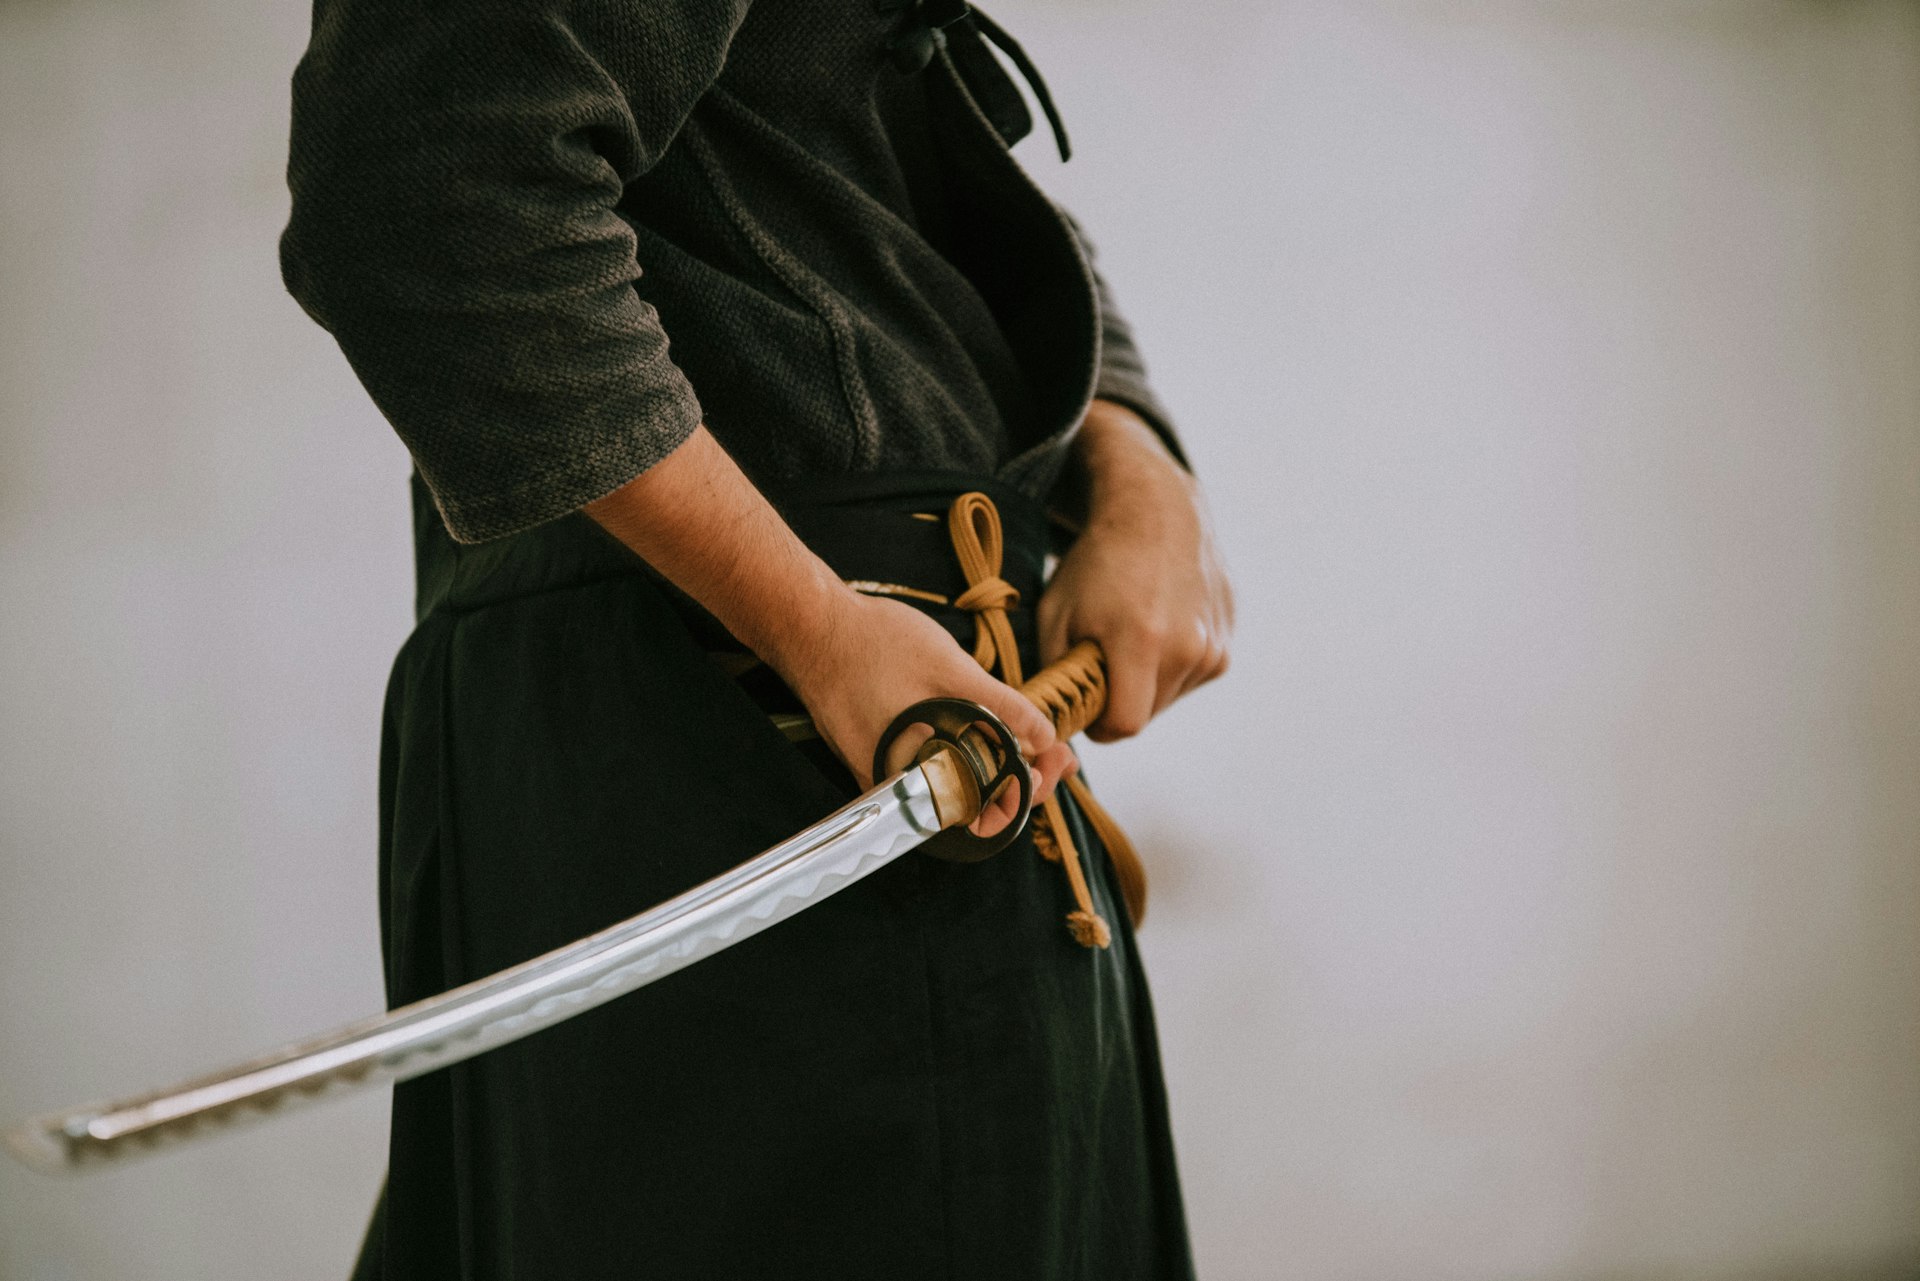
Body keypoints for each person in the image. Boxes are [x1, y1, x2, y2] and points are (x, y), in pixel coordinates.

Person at [280, 2, 1232, 1277]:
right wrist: (814, 627)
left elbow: (882, 185)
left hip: (903, 720)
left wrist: (1138, 466)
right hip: (756, 722)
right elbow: (426, 183)